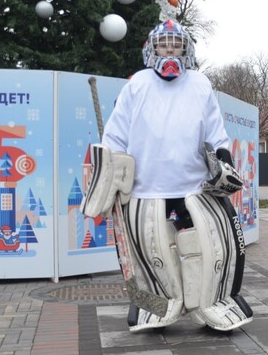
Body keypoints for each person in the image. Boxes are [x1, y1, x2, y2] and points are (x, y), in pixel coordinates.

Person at [87, 18, 252, 332]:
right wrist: (109, 173)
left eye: (176, 45)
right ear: (152, 48)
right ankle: (158, 308)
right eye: (164, 45)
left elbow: (216, 133)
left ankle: (208, 304)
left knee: (200, 249)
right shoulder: (137, 84)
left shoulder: (201, 84)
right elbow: (116, 136)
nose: (170, 51)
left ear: (186, 49)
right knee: (153, 254)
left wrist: (224, 157)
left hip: (190, 192)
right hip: (146, 191)